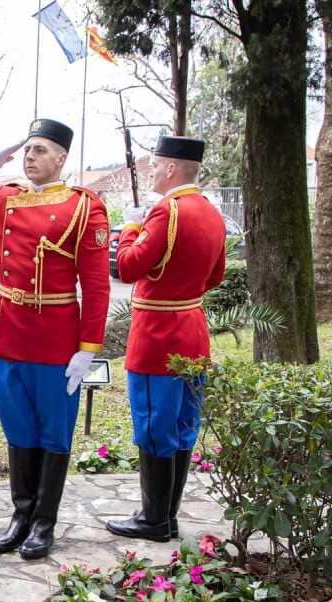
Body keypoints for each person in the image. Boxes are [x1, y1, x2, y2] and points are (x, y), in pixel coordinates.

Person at [0, 119, 111, 560]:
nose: (30, 156)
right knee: (17, 427)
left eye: (41, 150)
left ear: (62, 158)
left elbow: (97, 285)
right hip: (9, 332)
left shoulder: (84, 207)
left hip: (55, 338)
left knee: (53, 432)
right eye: (27, 149)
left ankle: (43, 523)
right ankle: (20, 515)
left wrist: (88, 349)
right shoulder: (5, 199)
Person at [105, 136, 226, 543]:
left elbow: (125, 267)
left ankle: (154, 519)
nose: (151, 172)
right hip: (193, 327)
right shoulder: (211, 212)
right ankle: (167, 516)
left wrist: (132, 226)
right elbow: (215, 276)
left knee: (155, 425)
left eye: (155, 165)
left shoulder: (167, 213)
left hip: (158, 336)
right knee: (182, 424)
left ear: (172, 168)